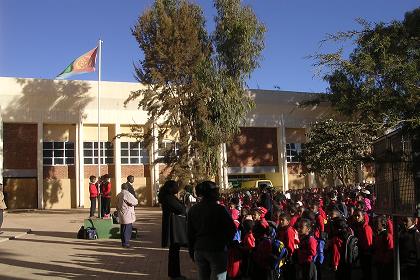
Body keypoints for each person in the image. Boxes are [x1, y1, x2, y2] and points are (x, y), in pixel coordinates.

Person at [187, 181, 236, 280]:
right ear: (211, 193)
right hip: (216, 250)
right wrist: (226, 243)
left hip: (199, 250)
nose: (218, 193)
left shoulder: (193, 209)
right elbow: (232, 229)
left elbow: (190, 233)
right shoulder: (220, 209)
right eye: (216, 191)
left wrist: (191, 251)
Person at [158, 180, 186, 280]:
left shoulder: (169, 196)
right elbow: (180, 209)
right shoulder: (168, 198)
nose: (177, 188)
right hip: (173, 226)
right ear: (170, 187)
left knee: (174, 252)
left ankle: (175, 274)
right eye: (175, 186)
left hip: (173, 225)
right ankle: (175, 274)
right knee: (174, 252)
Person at [116, 184, 138, 248]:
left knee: (123, 228)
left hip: (121, 213)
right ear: (127, 188)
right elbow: (135, 202)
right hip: (128, 214)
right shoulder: (128, 194)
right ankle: (126, 243)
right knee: (127, 229)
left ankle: (123, 242)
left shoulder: (119, 194)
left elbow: (116, 205)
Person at [399, 216, 420, 280]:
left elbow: (418, 250)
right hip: (404, 264)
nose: (404, 223)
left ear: (413, 222)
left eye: (406, 221)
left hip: (412, 265)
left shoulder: (416, 233)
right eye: (404, 221)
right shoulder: (402, 232)